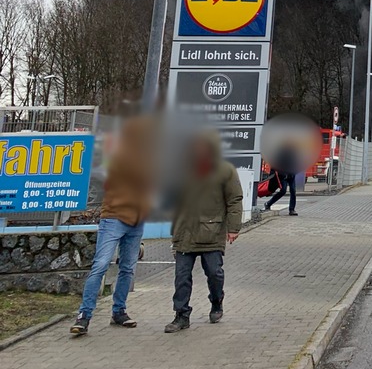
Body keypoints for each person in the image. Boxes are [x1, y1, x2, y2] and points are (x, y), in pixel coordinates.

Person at [70, 112, 156, 335]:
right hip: (115, 217)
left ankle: (119, 311)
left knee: (128, 268)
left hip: (136, 221)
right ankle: (84, 315)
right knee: (100, 265)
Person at [165, 131, 243, 333]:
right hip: (184, 232)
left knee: (214, 274)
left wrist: (233, 228)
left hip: (212, 231)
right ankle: (181, 315)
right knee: (182, 277)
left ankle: (217, 301)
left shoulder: (225, 170)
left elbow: (234, 200)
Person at [263, 139, 300, 215]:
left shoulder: (294, 152)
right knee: (283, 191)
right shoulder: (280, 153)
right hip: (283, 175)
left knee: (293, 191)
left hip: (291, 175)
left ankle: (292, 209)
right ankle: (268, 203)